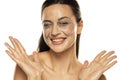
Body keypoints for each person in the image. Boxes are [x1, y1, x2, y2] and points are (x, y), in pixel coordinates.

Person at [4, 0, 117, 80]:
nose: (54, 32)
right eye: (47, 24)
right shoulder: (27, 66)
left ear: (80, 26)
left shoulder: (94, 76)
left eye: (63, 23)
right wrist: (34, 77)